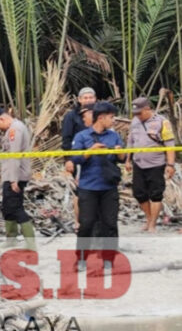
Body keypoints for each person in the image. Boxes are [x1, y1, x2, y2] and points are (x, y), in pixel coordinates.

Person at [70, 102, 125, 267]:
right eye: (111, 117)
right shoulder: (82, 136)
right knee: (86, 223)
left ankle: (108, 259)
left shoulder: (114, 136)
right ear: (101, 118)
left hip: (109, 187)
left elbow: (122, 159)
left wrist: (120, 154)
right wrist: (90, 151)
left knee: (110, 224)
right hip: (88, 187)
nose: (114, 120)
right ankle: (81, 258)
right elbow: (75, 158)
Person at [0, 108, 36, 250]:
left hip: (16, 175)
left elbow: (14, 156)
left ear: (2, 119)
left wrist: (14, 180)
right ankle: (11, 239)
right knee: (7, 208)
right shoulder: (10, 130)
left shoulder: (15, 129)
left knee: (16, 208)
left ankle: (30, 243)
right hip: (10, 175)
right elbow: (2, 146)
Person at [125, 97, 176, 233]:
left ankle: (153, 223)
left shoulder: (162, 122)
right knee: (139, 193)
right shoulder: (135, 121)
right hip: (138, 163)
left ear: (147, 109)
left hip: (156, 163)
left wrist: (170, 165)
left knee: (156, 194)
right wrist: (128, 160)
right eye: (135, 113)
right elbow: (130, 141)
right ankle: (148, 218)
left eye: (140, 113)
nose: (137, 115)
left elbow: (170, 145)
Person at [63, 87, 97, 174]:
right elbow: (66, 139)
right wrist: (68, 159)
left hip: (97, 159)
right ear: (79, 99)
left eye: (91, 97)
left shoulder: (100, 115)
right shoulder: (71, 116)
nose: (88, 100)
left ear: (95, 99)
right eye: (85, 98)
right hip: (78, 158)